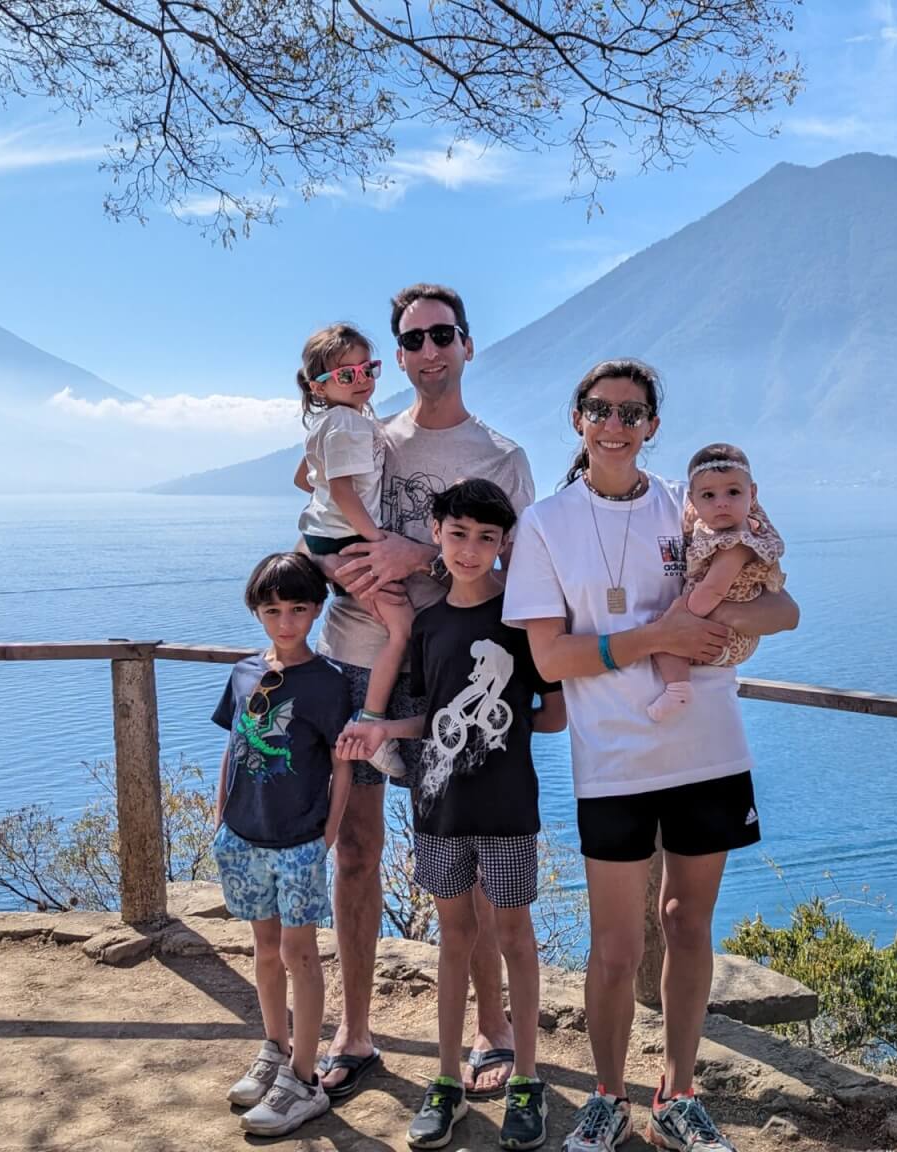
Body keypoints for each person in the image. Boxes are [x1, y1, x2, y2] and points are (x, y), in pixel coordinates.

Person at [502, 361, 799, 1152]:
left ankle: (678, 1093)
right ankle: (607, 1095)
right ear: (577, 418)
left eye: (631, 413)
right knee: (616, 947)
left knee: (688, 925)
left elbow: (785, 607)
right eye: (600, 410)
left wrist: (721, 621)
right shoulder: (546, 523)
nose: (615, 425)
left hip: (708, 749)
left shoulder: (694, 501)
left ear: (653, 425)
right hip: (613, 762)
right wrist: (659, 636)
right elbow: (550, 658)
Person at [313, 284, 539, 1103]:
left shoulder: (502, 457)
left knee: (469, 859)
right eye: (412, 340)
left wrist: (424, 557)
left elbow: (524, 572)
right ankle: (354, 1032)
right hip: (356, 656)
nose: (429, 351)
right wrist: (331, 568)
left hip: (454, 674)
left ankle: (492, 1029)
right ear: (397, 356)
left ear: (467, 344)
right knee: (356, 850)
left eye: (443, 335)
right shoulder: (366, 434)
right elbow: (321, 519)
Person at [337, 480, 566, 1150]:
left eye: (486, 537)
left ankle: (527, 1080)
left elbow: (553, 714)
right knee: (454, 939)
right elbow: (435, 715)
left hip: (508, 810)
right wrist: (385, 729)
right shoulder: (429, 625)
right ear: (435, 533)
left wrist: (498, 730)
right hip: (437, 809)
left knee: (515, 937)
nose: (470, 549)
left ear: (504, 543)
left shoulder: (523, 621)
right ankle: (445, 1081)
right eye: (458, 534)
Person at [211, 553, 354, 1137]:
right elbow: (233, 742)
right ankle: (274, 1048)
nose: (286, 621)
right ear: (257, 613)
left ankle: (303, 1077)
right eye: (272, 611)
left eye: (298, 609)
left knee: (301, 954)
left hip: (298, 840)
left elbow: (341, 765)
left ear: (317, 610)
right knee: (265, 950)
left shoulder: (328, 683)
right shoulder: (245, 672)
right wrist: (221, 814)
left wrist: (329, 831)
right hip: (245, 835)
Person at [292, 321, 414, 779]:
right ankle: (373, 723)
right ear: (319, 386)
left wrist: (326, 504)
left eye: (368, 368)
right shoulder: (346, 422)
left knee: (394, 624)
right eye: (347, 374)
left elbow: (305, 478)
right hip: (351, 539)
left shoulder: (332, 421)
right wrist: (377, 541)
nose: (361, 379)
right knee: (400, 628)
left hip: (328, 535)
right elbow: (342, 489)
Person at [646, 442, 786, 722]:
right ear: (693, 501)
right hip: (720, 628)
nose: (721, 502)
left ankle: (678, 689)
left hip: (727, 637)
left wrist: (680, 617)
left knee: (661, 635)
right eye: (709, 495)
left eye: (733, 492)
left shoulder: (737, 543)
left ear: (752, 494)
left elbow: (713, 590)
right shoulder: (712, 530)